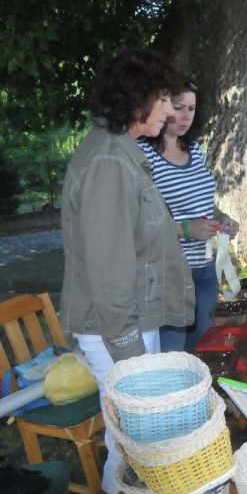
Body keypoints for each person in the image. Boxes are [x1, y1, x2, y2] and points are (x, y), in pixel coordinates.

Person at [60, 49, 195, 494]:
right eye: (162, 100)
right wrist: (130, 352)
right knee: (133, 442)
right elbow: (109, 270)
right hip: (117, 326)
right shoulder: (109, 164)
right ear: (135, 101)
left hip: (130, 318)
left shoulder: (120, 154)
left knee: (136, 438)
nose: (172, 110)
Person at [138, 77, 240, 353]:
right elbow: (137, 220)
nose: (186, 117)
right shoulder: (142, 154)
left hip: (204, 271)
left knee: (202, 352)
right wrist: (186, 230)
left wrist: (222, 218)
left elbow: (205, 203)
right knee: (173, 357)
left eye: (192, 109)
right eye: (178, 107)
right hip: (168, 273)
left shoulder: (195, 151)